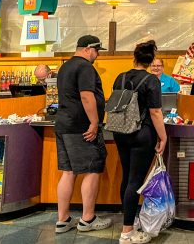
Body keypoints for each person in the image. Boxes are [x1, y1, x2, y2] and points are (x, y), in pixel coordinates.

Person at [54, 35, 112, 234]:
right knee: (91, 169)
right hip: (81, 127)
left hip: (63, 124)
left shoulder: (65, 67)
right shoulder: (85, 67)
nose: (97, 55)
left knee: (68, 172)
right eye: (97, 51)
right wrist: (94, 122)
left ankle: (63, 220)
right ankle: (88, 219)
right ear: (88, 48)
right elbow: (87, 96)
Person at [113, 40, 167, 244]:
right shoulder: (151, 80)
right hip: (141, 134)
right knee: (135, 180)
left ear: (134, 57)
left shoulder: (120, 77)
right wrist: (163, 136)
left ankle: (129, 221)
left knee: (127, 177)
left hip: (120, 131)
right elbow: (155, 112)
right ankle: (127, 233)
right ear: (151, 60)